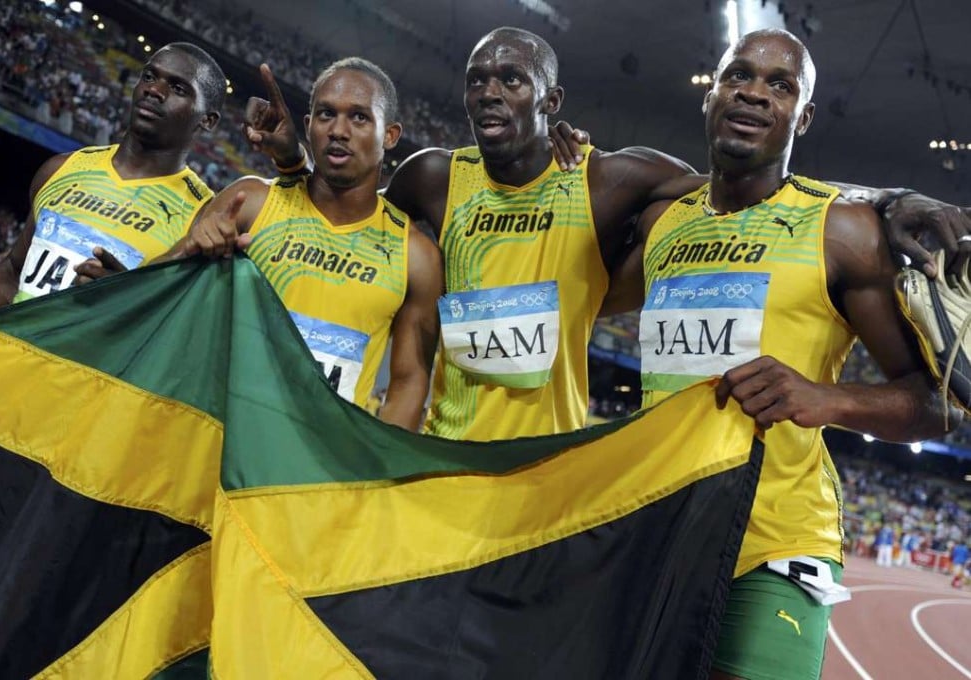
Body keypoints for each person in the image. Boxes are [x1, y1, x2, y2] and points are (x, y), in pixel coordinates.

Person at [233, 26, 971, 443]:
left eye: (512, 80)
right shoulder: (431, 176)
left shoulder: (608, 178)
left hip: (555, 462)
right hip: (442, 451)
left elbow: (746, 180)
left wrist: (882, 196)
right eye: (478, 79)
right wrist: (294, 164)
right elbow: (352, 221)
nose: (490, 92)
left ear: (550, 100)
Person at [601, 28, 956, 680]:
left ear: (804, 116)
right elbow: (575, 298)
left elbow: (939, 406)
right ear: (711, 93)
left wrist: (828, 399)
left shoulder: (843, 233)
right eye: (739, 75)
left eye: (780, 85)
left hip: (773, 541)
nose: (755, 93)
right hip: (657, 532)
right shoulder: (663, 223)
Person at [183, 59, 443, 431]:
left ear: (390, 135)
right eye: (326, 114)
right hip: (219, 441)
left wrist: (373, 461)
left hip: (324, 457)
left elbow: (409, 382)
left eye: (359, 117)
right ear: (308, 126)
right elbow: (157, 288)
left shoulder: (416, 256)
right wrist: (191, 251)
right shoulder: (249, 203)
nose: (338, 130)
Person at [0, 43, 225, 322]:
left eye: (178, 88)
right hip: (10, 343)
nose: (154, 90)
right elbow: (13, 273)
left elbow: (184, 326)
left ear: (208, 120)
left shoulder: (204, 216)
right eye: (149, 77)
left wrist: (127, 300)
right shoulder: (61, 168)